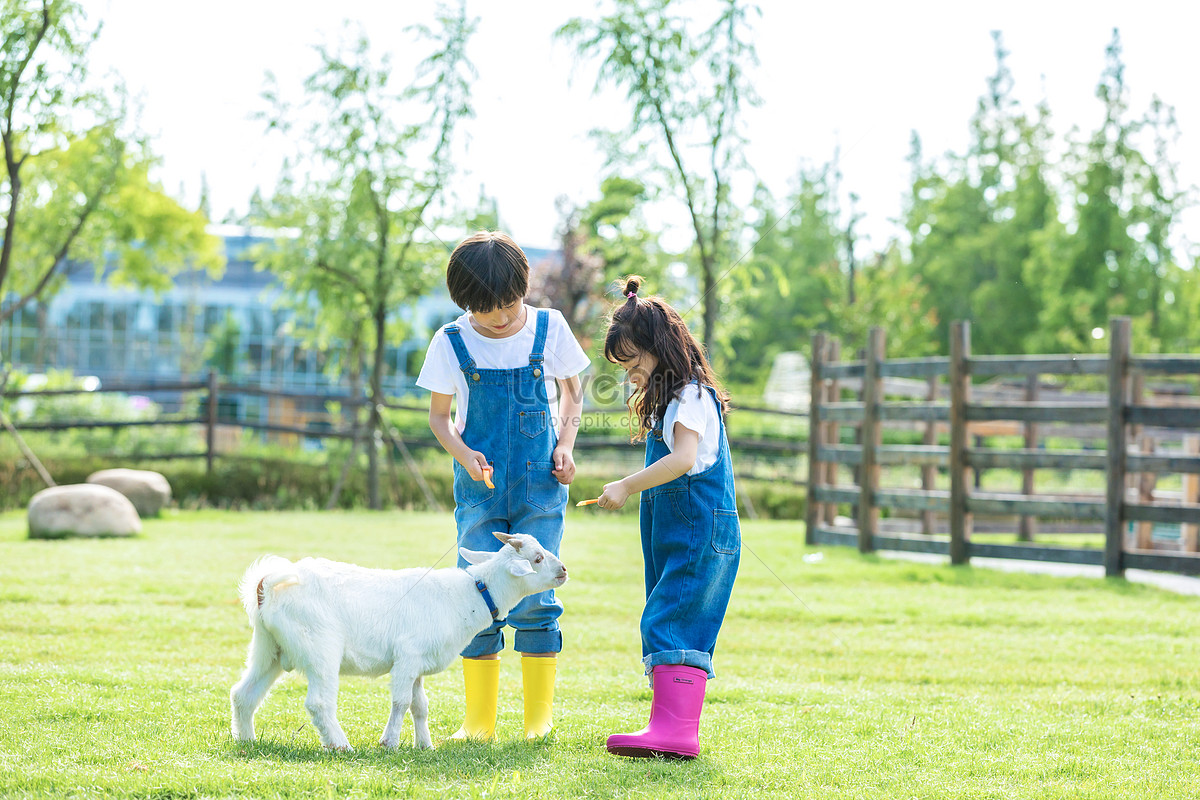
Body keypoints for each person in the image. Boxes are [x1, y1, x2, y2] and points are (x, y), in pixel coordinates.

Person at [417, 231, 590, 741]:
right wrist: (465, 455)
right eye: (488, 308)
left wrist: (565, 445)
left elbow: (573, 395)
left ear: (525, 288)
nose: (501, 317)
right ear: (465, 302)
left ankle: (538, 723)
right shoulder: (451, 341)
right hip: (481, 489)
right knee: (477, 598)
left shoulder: (548, 328)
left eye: (510, 304)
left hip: (541, 485)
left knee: (538, 598)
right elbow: (440, 418)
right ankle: (479, 724)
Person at [593, 275, 741, 760]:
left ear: (660, 348)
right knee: (670, 615)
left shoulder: (691, 396)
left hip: (700, 535)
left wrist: (625, 486)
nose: (629, 374)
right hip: (680, 535)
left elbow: (681, 460)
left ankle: (676, 731)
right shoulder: (675, 401)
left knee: (672, 620)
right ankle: (670, 727)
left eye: (633, 361)